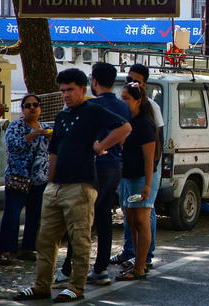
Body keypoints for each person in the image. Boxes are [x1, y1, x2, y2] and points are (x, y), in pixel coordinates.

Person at [14, 69, 131, 302]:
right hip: (56, 187)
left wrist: (99, 147)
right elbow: (54, 151)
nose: (66, 94)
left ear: (83, 89)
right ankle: (41, 286)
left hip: (81, 185)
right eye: (63, 90)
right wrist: (50, 183)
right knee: (46, 240)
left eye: (70, 90)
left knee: (79, 239)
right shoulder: (62, 116)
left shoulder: (93, 109)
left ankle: (76, 287)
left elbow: (125, 128)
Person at [55, 63, 132, 286]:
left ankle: (68, 270)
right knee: (104, 217)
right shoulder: (123, 106)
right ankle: (100, 269)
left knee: (80, 221)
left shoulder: (90, 105)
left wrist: (97, 147)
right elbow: (124, 134)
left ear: (93, 82)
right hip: (115, 165)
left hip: (93, 167)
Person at [110, 64, 164, 272]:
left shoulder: (146, 120)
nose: (123, 101)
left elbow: (151, 156)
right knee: (131, 220)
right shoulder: (126, 118)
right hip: (128, 176)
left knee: (142, 220)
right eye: (122, 96)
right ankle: (133, 258)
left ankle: (143, 262)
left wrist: (148, 184)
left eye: (127, 98)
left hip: (142, 177)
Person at [0, 94, 52, 265]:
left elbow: (51, 151)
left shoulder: (46, 127)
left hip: (39, 179)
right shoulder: (16, 126)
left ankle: (29, 249)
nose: (32, 108)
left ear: (40, 108)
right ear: (22, 109)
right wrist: (33, 135)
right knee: (12, 215)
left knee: (35, 215)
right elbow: (13, 147)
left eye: (35, 105)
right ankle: (6, 250)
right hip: (18, 177)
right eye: (28, 105)